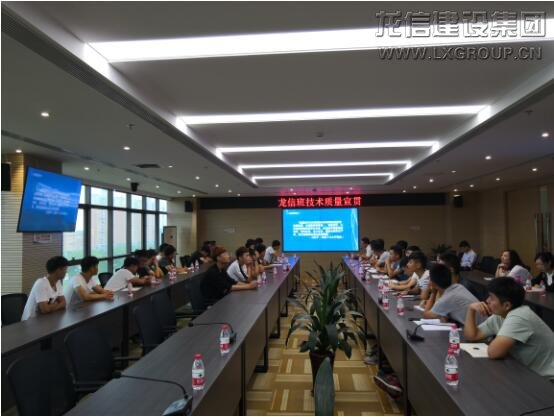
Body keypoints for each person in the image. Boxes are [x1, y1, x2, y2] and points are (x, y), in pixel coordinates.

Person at [464, 278, 554, 380]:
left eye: (492, 298)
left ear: (506, 305)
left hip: (548, 380)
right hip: (529, 372)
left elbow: (494, 352)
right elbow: (472, 335)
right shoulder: (500, 315)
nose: (487, 301)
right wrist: (471, 309)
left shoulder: (519, 316)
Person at [21, 256, 68, 321]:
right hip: (30, 321)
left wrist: (52, 306)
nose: (66, 272)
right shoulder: (41, 283)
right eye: (65, 269)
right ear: (58, 270)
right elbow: (45, 309)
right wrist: (56, 304)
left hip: (45, 318)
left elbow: (64, 303)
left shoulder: (58, 282)